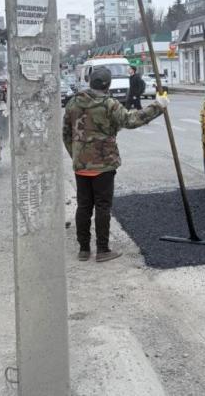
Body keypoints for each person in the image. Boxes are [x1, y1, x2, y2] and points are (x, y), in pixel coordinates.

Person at [62, 66, 168, 262]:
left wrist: (77, 155)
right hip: (103, 165)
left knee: (84, 206)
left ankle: (84, 250)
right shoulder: (109, 104)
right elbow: (130, 120)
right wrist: (158, 106)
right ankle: (103, 250)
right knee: (102, 206)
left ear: (90, 81)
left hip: (82, 165)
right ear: (108, 85)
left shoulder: (73, 102)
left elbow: (66, 133)